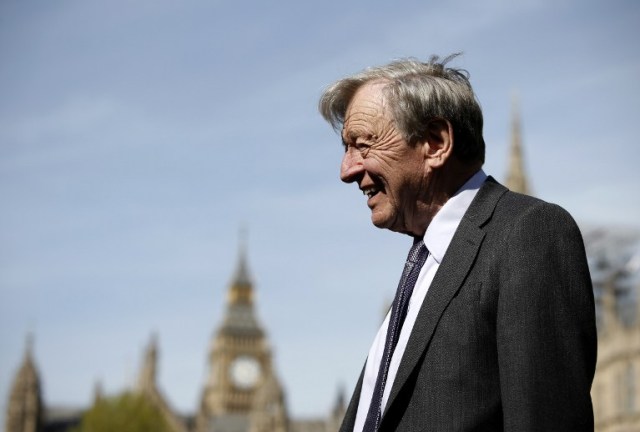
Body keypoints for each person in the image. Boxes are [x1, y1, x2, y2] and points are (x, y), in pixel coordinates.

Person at [318, 54, 597, 431]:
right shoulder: (422, 266)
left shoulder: (528, 234)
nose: (346, 170)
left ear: (436, 142)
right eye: (345, 148)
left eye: (362, 145)